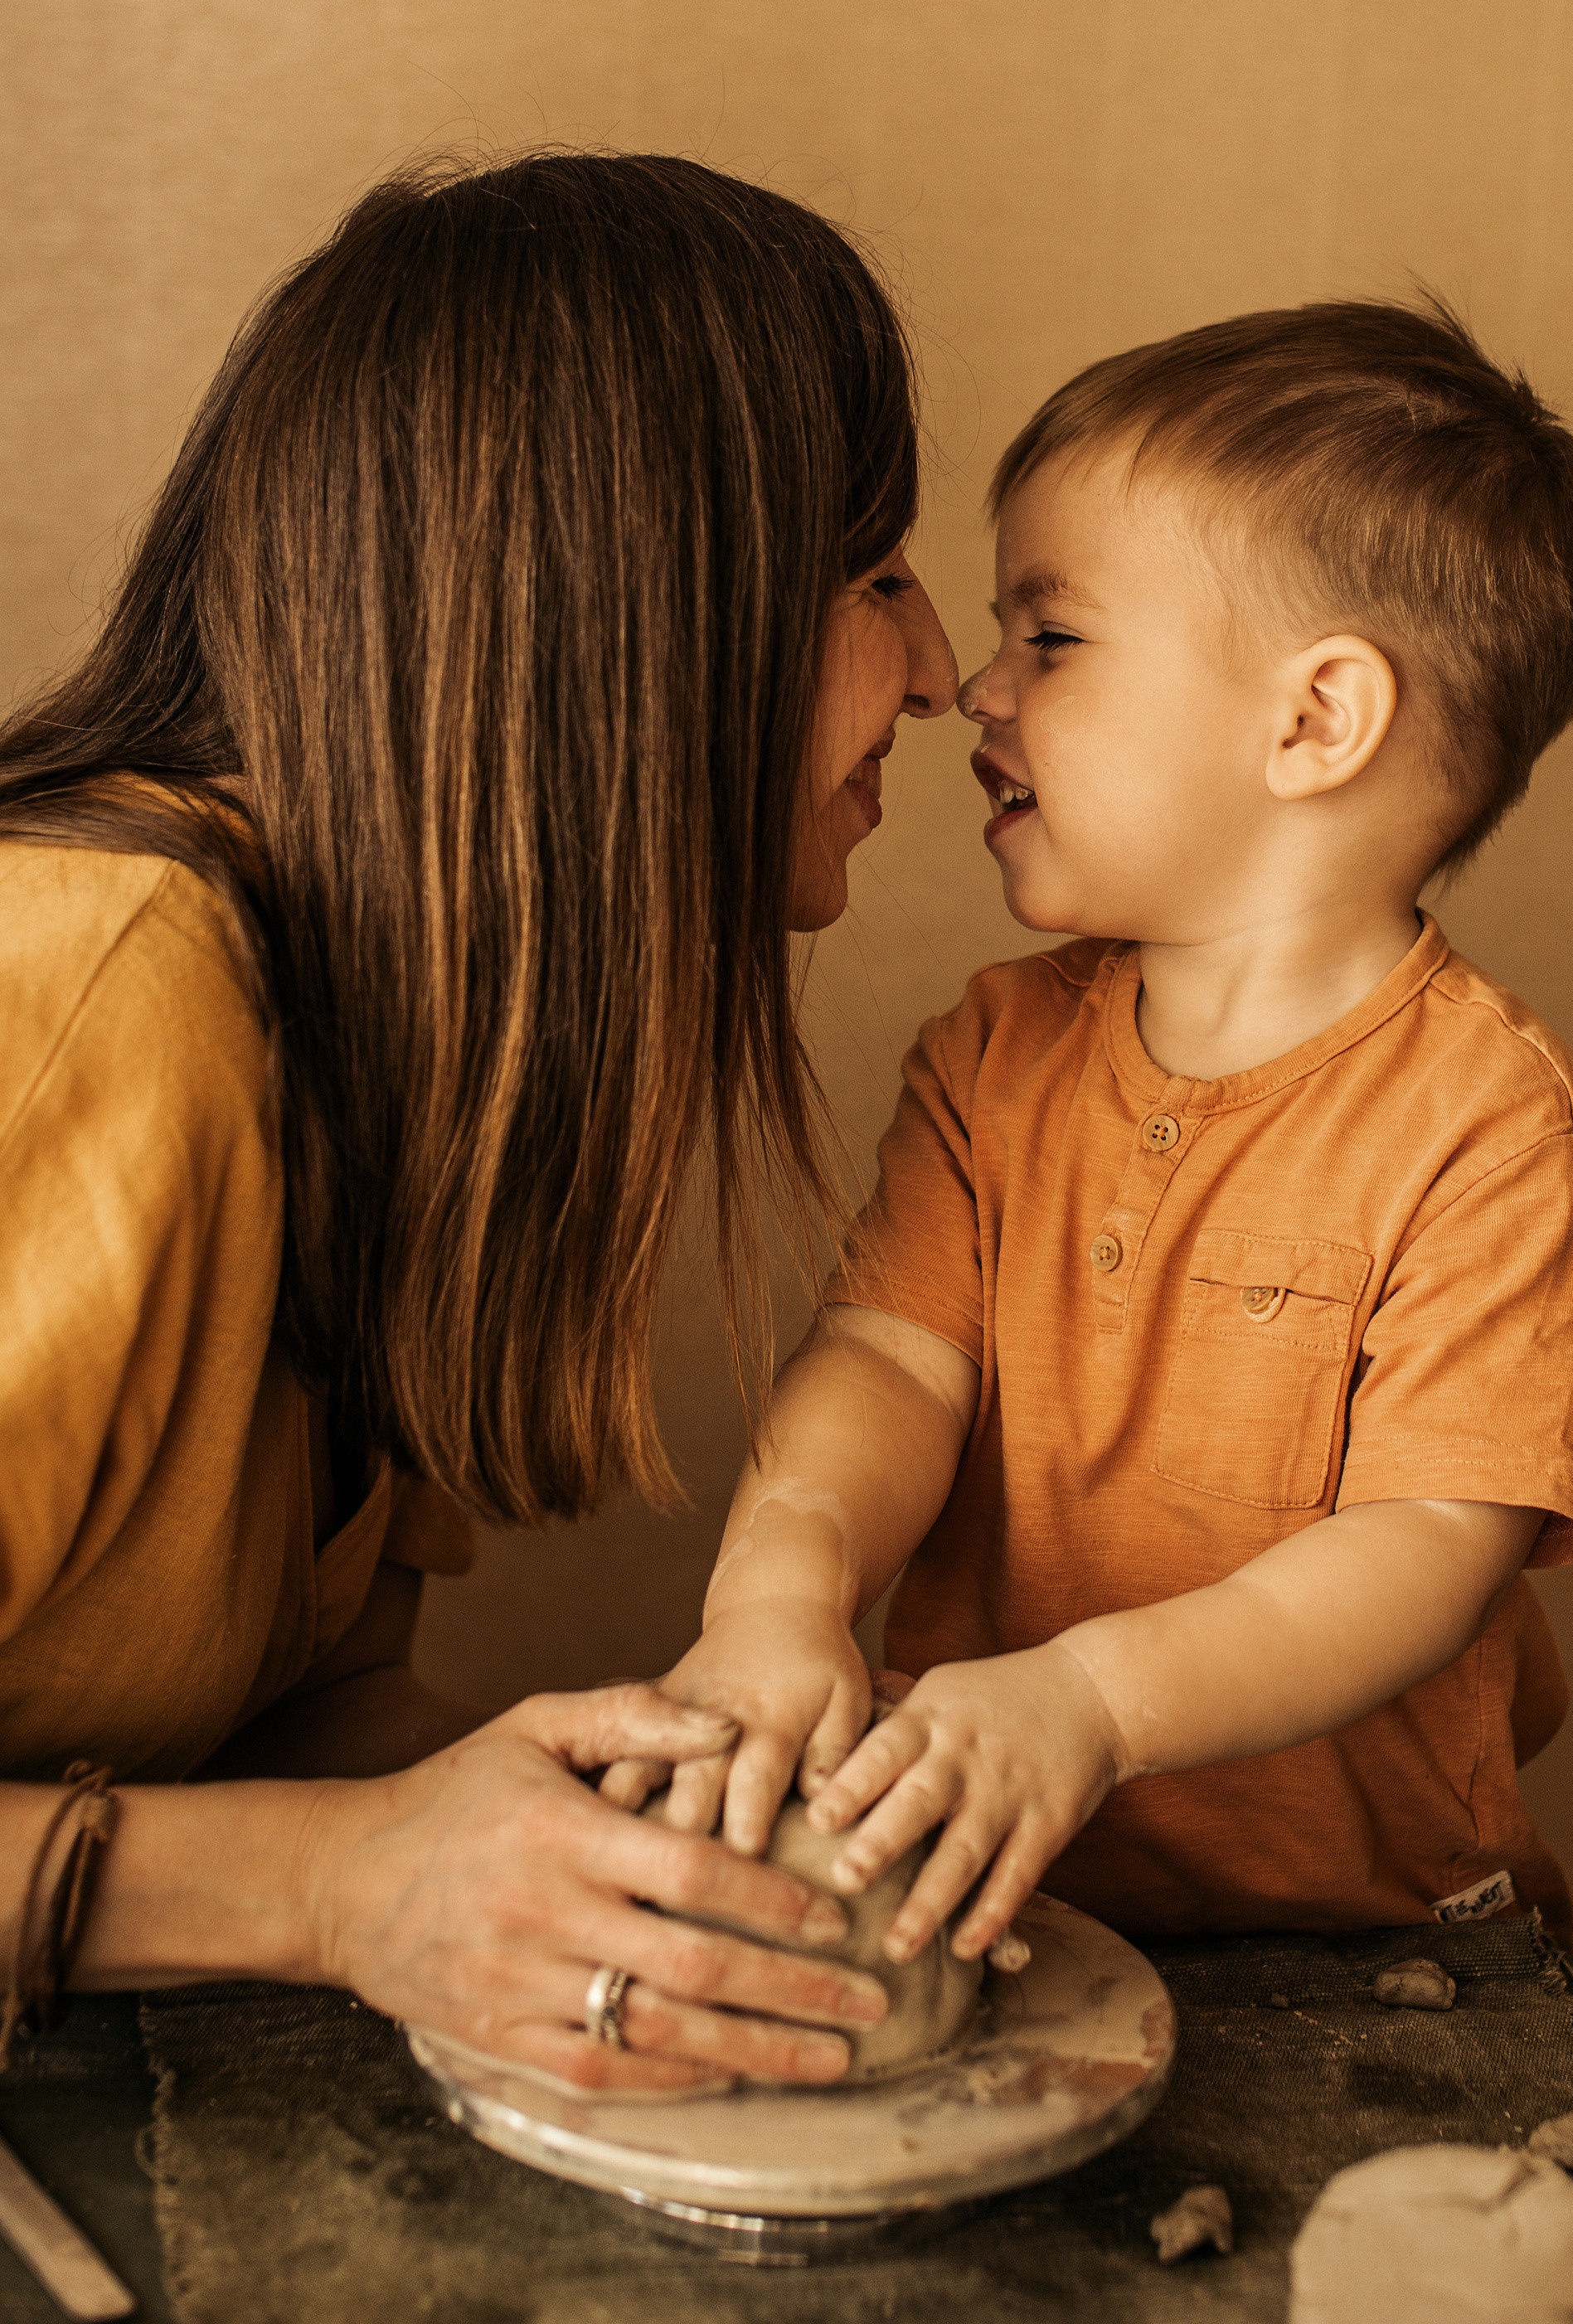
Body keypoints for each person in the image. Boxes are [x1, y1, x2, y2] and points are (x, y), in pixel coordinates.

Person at [0, 149, 958, 2087]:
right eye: (876, 577)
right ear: (639, 618)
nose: (938, 672)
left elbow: (309, 1712)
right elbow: (314, 1853)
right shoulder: (96, 985)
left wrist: (691, 1836)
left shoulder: (415, 1038)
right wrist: (340, 1891)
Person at [608, 297, 1573, 1963]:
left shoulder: (1492, 1126)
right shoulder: (995, 1050)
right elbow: (888, 1366)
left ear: (1315, 722)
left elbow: (1429, 1546)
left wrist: (1089, 1698)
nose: (975, 690)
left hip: (1364, 1954)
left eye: (1054, 638)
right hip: (1010, 1909)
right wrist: (777, 1598)